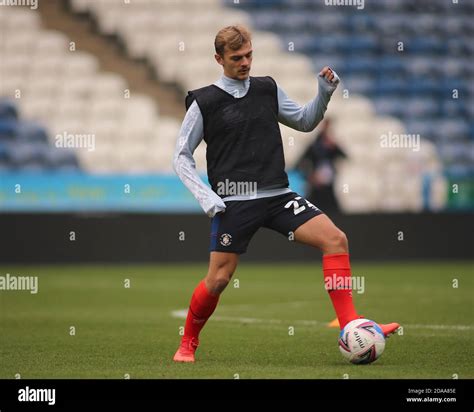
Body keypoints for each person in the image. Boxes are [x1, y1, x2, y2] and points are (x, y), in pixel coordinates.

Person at [172, 25, 399, 363]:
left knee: (336, 239)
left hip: (278, 195)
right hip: (234, 201)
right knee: (219, 279)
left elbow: (305, 122)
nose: (245, 62)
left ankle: (350, 323)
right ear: (219, 59)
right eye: (237, 58)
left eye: (249, 54)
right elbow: (181, 156)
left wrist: (323, 93)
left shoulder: (267, 88)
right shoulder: (204, 102)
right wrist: (207, 197)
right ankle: (188, 342)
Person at [296, 118, 346, 213]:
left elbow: (344, 156)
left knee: (333, 212)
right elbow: (299, 164)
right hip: (316, 187)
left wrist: (334, 146)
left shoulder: (332, 146)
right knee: (312, 210)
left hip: (329, 187)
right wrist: (310, 176)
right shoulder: (313, 146)